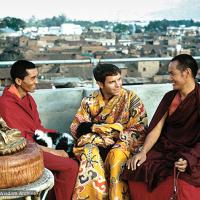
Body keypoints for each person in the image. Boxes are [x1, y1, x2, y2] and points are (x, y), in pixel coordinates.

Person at [123, 54, 200, 200]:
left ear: (187, 73)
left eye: (172, 74)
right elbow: (156, 128)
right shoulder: (170, 97)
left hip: (193, 151)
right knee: (136, 167)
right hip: (167, 148)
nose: (169, 78)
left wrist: (190, 159)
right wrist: (143, 152)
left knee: (184, 175)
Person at [0, 60, 79, 200]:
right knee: (71, 167)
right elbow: (20, 141)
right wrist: (54, 151)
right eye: (32, 78)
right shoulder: (6, 104)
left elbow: (38, 128)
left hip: (36, 144)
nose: (36, 81)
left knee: (75, 152)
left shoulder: (28, 98)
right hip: (24, 152)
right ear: (19, 81)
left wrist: (61, 138)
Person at [70, 63, 148, 200]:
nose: (118, 85)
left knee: (116, 156)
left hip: (123, 142)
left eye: (119, 79)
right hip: (97, 143)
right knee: (89, 153)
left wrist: (116, 135)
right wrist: (99, 133)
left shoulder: (131, 99)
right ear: (100, 84)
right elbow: (77, 127)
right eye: (112, 82)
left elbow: (140, 127)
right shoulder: (89, 101)